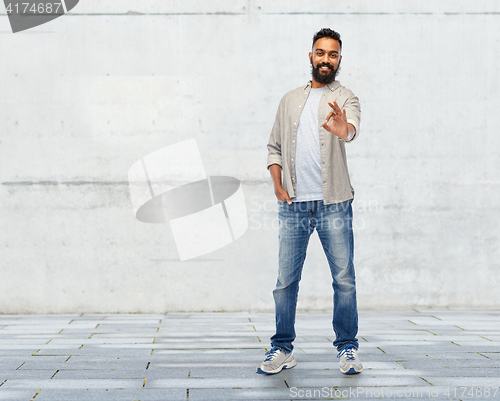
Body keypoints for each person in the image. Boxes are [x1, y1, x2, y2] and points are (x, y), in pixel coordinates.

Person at [257, 28, 363, 376]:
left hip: (334, 201)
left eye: (333, 55)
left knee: (343, 279)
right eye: (321, 53)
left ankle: (347, 348)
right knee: (285, 281)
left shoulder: (345, 97)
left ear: (339, 60)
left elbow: (350, 130)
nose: (326, 59)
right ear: (311, 56)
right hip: (294, 204)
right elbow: (274, 148)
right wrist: (277, 185)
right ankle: (282, 348)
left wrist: (341, 129)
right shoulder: (289, 100)